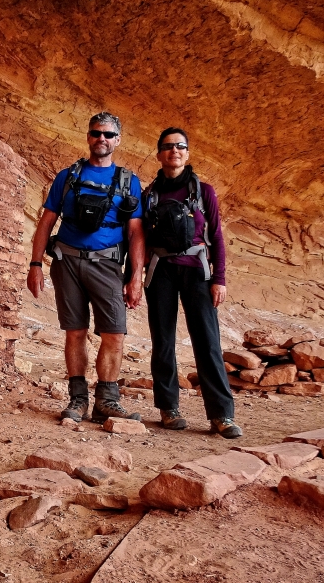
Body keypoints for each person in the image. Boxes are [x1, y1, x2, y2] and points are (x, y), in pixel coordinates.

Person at [27, 111, 146, 424]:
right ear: (89, 137)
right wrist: (36, 263)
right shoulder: (68, 177)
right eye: (96, 133)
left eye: (108, 135)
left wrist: (136, 276)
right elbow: (46, 222)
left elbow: (135, 232)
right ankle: (78, 400)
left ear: (117, 140)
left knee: (114, 333)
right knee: (75, 332)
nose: (101, 139)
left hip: (107, 264)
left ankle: (106, 401)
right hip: (67, 263)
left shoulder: (128, 182)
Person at [142, 127, 241, 438]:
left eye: (181, 146)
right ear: (159, 154)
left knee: (208, 342)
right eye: (169, 146)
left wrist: (219, 278)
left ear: (188, 153)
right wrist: (134, 275)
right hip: (161, 271)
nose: (175, 151)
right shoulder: (150, 195)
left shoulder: (204, 191)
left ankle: (222, 415)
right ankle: (168, 408)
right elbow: (140, 239)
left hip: (197, 269)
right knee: (163, 341)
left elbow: (217, 237)